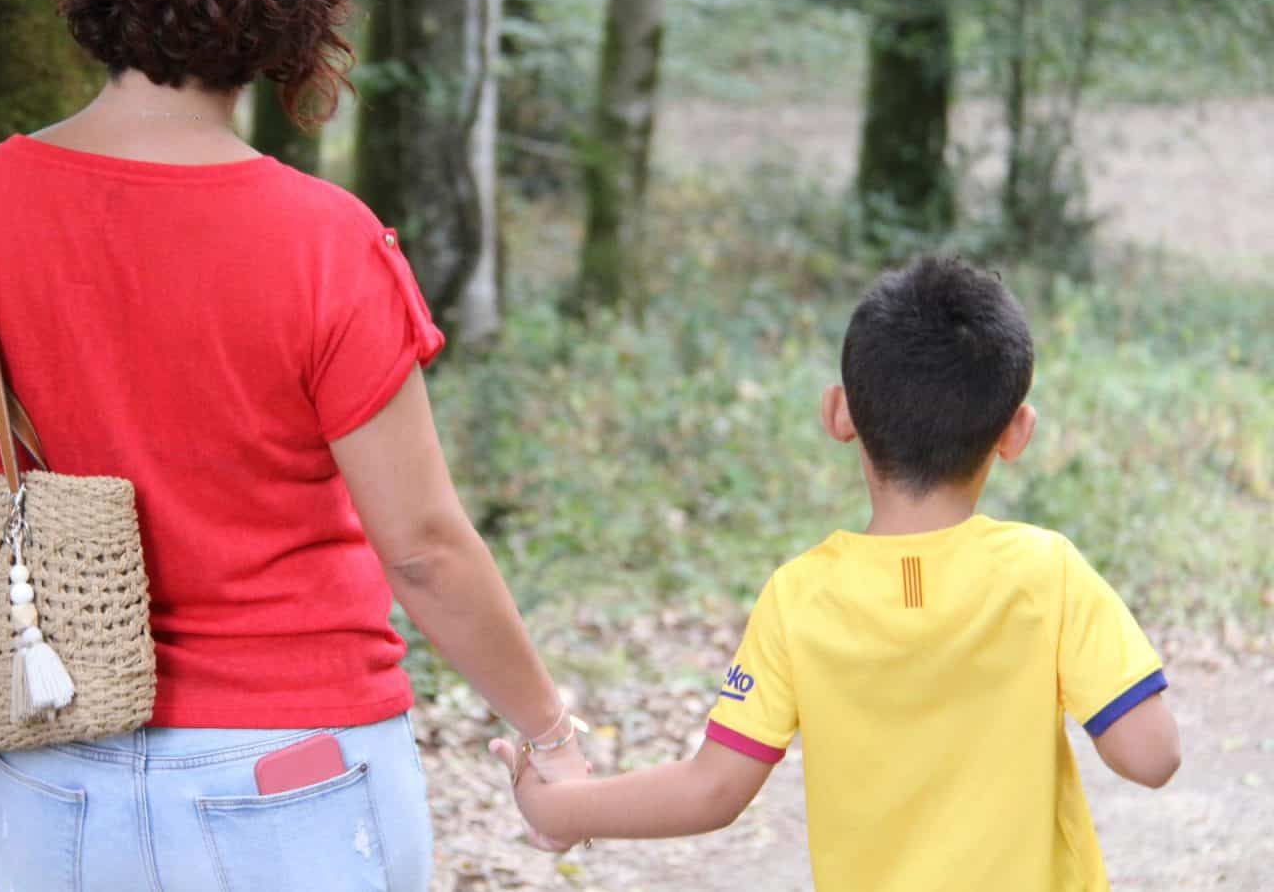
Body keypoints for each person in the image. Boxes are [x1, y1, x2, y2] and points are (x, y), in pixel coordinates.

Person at [0, 0, 587, 888]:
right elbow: (420, 547)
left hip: (52, 758)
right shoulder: (328, 241)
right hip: (297, 763)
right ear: (293, 11)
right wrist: (547, 729)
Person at [493, 256, 1181, 891]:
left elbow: (712, 790)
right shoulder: (1046, 572)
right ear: (1016, 431)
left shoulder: (800, 596)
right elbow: (1151, 756)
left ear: (839, 412)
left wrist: (558, 804)